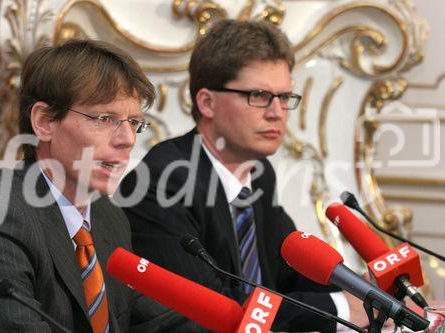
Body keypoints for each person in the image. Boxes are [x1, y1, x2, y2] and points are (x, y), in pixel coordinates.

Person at [118, 19, 368, 332]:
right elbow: (215, 311)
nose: (277, 112)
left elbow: (289, 270)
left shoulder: (259, 174)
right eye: (260, 96)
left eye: (285, 97)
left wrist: (366, 293)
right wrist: (341, 307)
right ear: (207, 102)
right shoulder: (162, 183)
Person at [0, 39, 189, 332]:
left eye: (134, 122)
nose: (128, 139)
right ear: (44, 122)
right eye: (104, 118)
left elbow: (150, 317)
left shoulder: (107, 214)